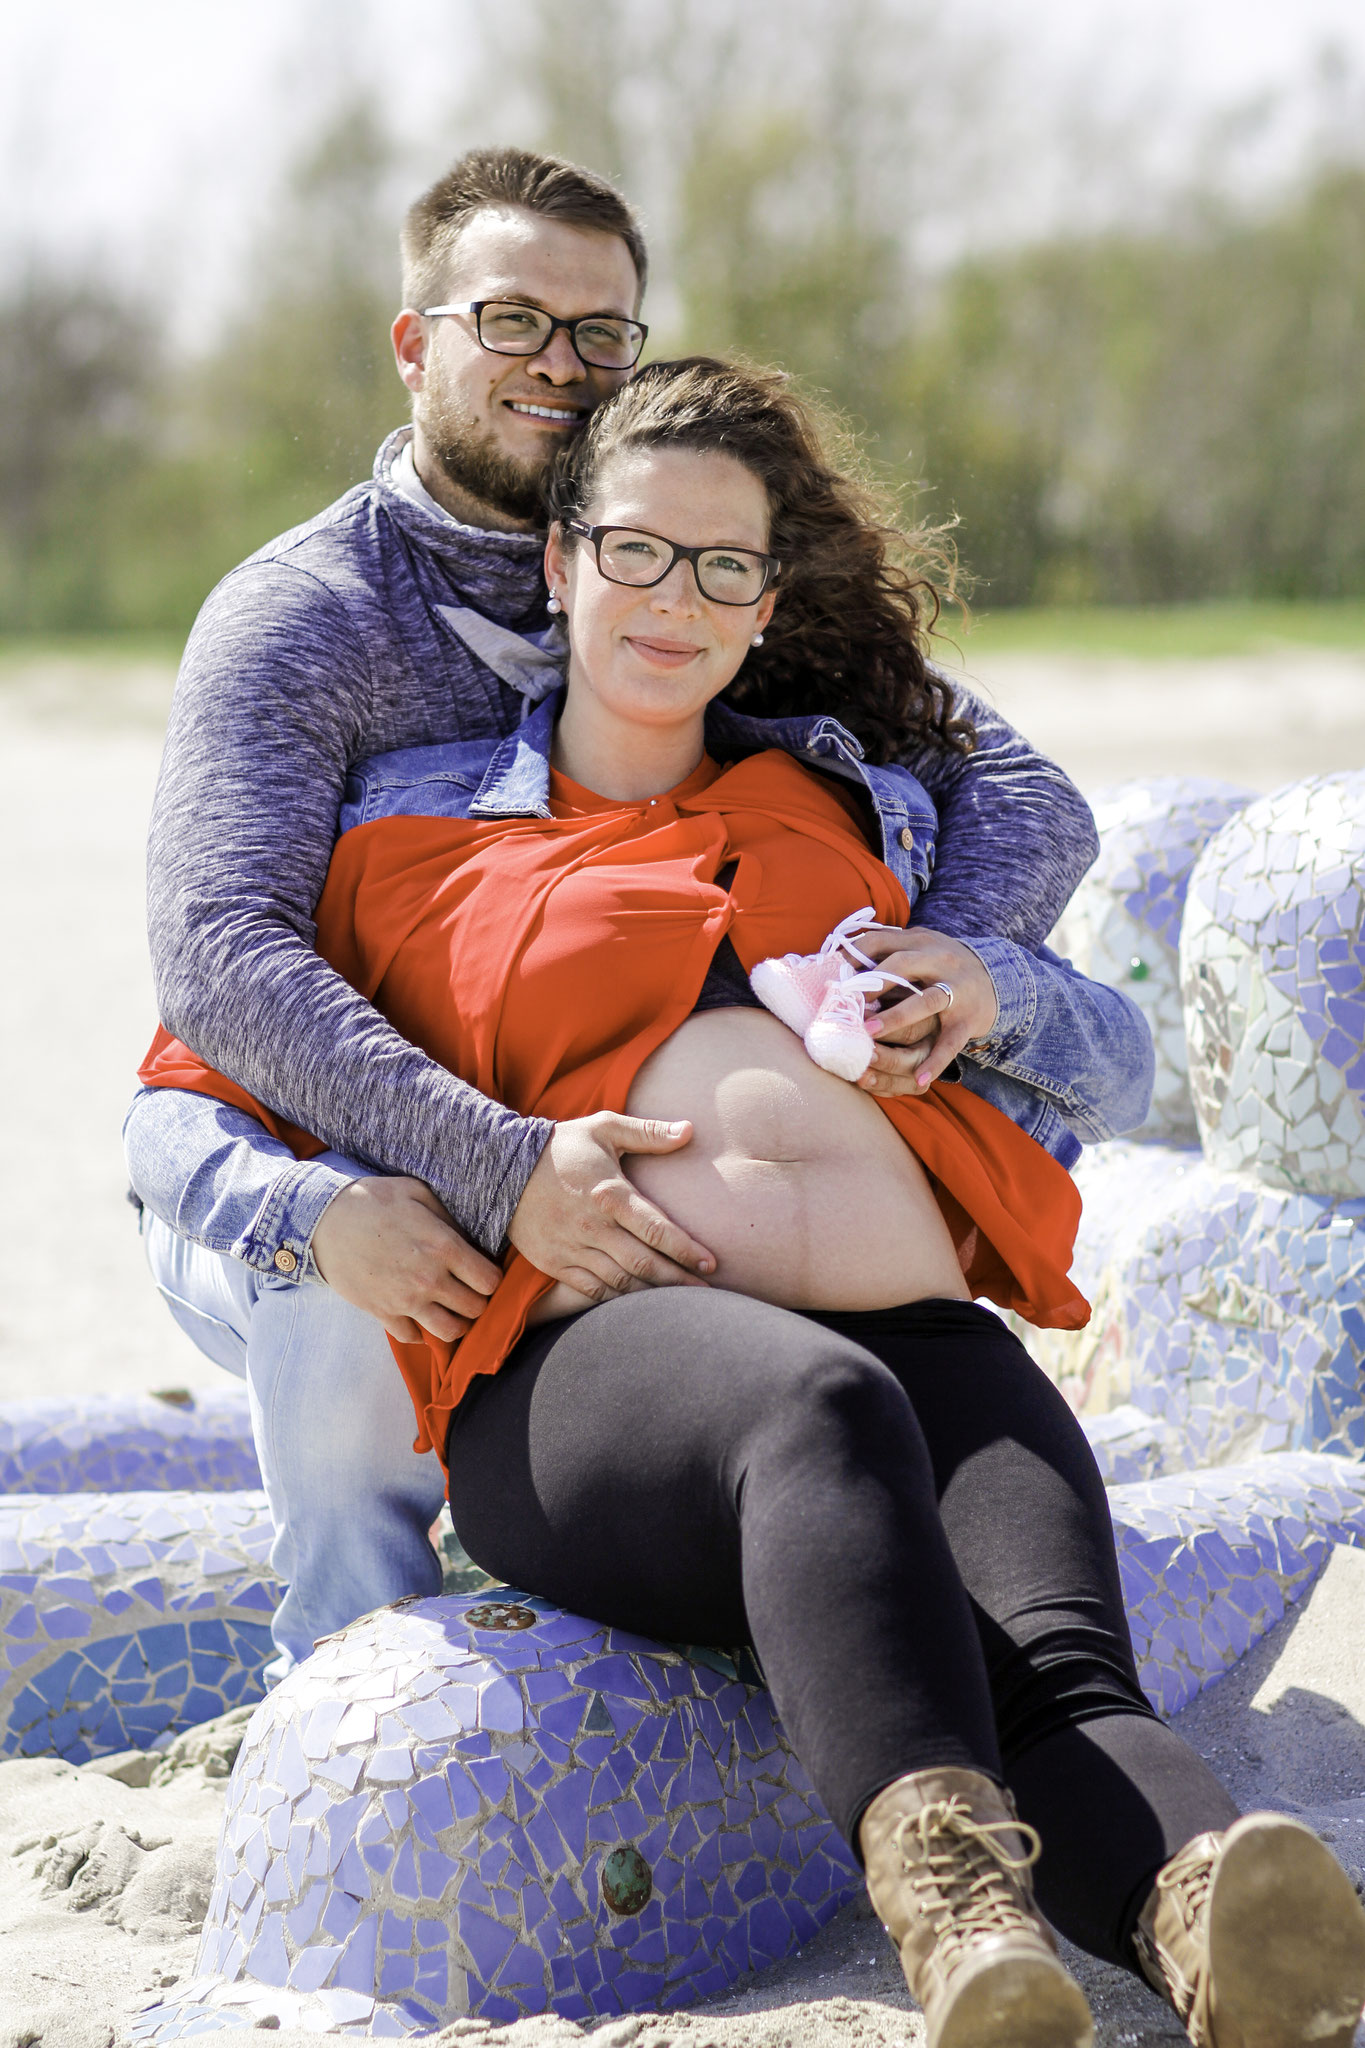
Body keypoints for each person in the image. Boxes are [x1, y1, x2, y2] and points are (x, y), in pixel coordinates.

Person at [139, 359, 1365, 2048]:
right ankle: (950, 1925)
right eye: (638, 552)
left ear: (766, 602)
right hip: (589, 1384)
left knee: (1058, 1666)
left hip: (917, 1328)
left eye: (726, 567)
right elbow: (191, 1093)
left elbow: (1105, 1045)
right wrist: (383, 1206)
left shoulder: (857, 803)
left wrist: (991, 989)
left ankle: (1209, 1922)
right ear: (559, 564)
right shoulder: (399, 844)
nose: (679, 598)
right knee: (816, 1402)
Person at [124, 147, 1105, 1673]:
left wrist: (935, 961)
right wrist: (495, 1172)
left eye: (600, 330)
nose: (559, 366)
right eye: (511, 320)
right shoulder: (306, 617)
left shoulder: (683, 569)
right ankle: (349, 1673)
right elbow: (217, 960)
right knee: (362, 1276)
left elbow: (1025, 792)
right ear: (415, 341)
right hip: (299, 1160)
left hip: (585, 1181)